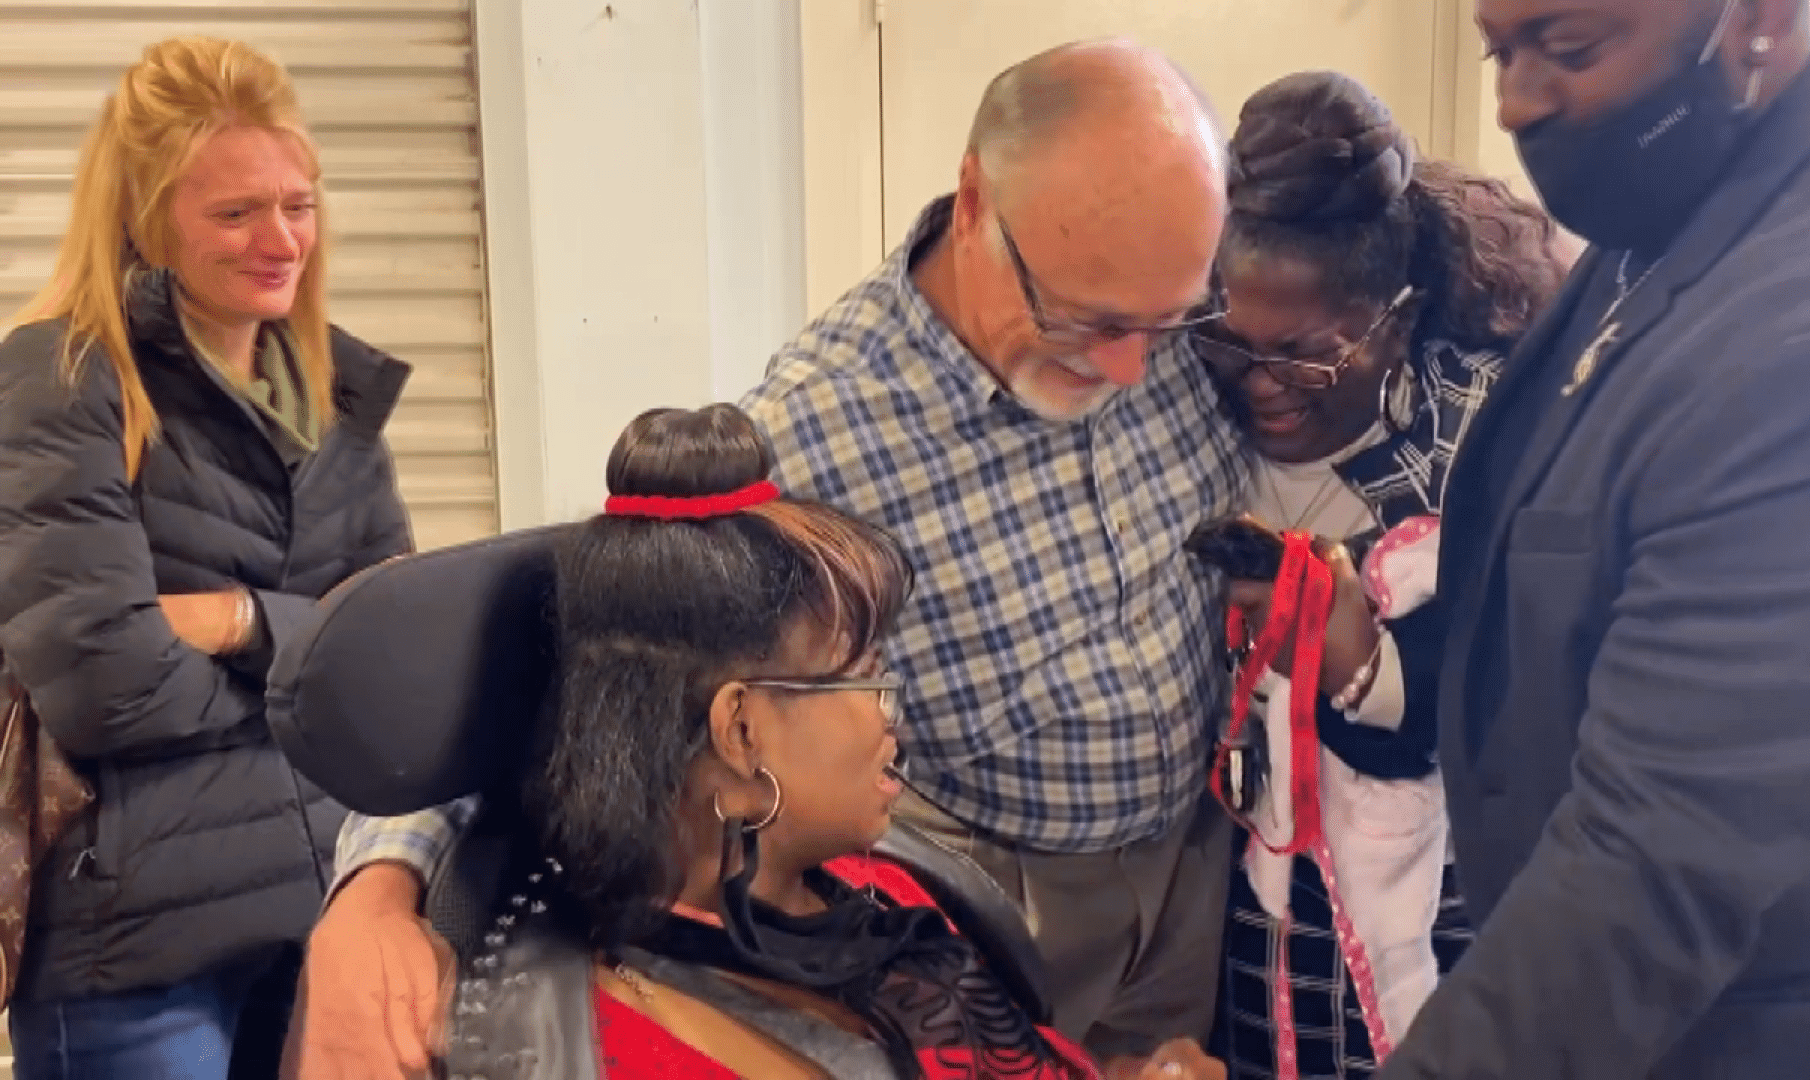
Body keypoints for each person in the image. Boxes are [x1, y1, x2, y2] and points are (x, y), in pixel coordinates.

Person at [288, 38, 1247, 1080]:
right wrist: (378, 890)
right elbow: (591, 670)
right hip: (1006, 893)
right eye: (1086, 320)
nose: (1133, 366)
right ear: (974, 204)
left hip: (1185, 863)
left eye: (1169, 319)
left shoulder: (1168, 318)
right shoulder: (817, 430)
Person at [323, 403, 1222, 1079]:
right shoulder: (638, 1040)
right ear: (742, 730)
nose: (888, 714)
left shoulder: (874, 883)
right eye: (863, 672)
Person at [1375, 1, 1810, 1076]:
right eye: (1499, 49)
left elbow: (1652, 869)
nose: (1515, 99)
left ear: (1757, 19)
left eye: (1571, 48)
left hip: (1733, 1032)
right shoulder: (1692, 191)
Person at [0, 35, 414, 1080]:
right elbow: (105, 688)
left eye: (298, 204)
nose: (281, 240)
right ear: (149, 220)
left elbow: (394, 654)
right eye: (235, 213)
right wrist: (308, 667)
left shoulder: (329, 394)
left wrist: (237, 622)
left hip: (318, 919)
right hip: (136, 955)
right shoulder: (66, 378)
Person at [1194, 72, 1561, 1079]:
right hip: (1242, 925)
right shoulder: (1183, 410)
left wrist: (1355, 654)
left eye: (1306, 359)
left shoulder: (1487, 445)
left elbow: (1504, 714)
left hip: (1428, 923)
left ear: (1395, 321)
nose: (1262, 386)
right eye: (1232, 341)